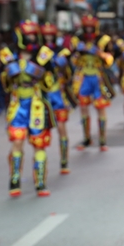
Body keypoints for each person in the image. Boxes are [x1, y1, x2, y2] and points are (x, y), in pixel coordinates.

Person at [0, 20, 55, 197]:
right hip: (18, 105)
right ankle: (14, 178)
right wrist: (8, 75)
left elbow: (50, 83)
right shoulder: (9, 55)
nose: (32, 38)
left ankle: (41, 182)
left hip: (37, 105)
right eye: (28, 34)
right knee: (17, 141)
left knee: (39, 145)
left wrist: (42, 73)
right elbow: (5, 85)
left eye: (33, 34)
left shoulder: (44, 55)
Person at [72, 15, 115, 151]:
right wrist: (78, 53)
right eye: (87, 27)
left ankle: (102, 140)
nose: (89, 30)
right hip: (83, 77)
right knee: (83, 108)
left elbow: (110, 59)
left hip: (98, 77)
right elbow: (72, 59)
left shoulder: (104, 39)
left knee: (100, 107)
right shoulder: (76, 39)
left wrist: (99, 53)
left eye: (92, 27)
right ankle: (86, 138)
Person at [40, 22, 73, 174]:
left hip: (58, 94)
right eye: (45, 34)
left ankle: (64, 160)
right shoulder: (38, 53)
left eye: (50, 34)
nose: (47, 36)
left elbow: (68, 73)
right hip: (43, 95)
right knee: (41, 132)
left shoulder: (62, 51)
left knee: (61, 127)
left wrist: (63, 65)